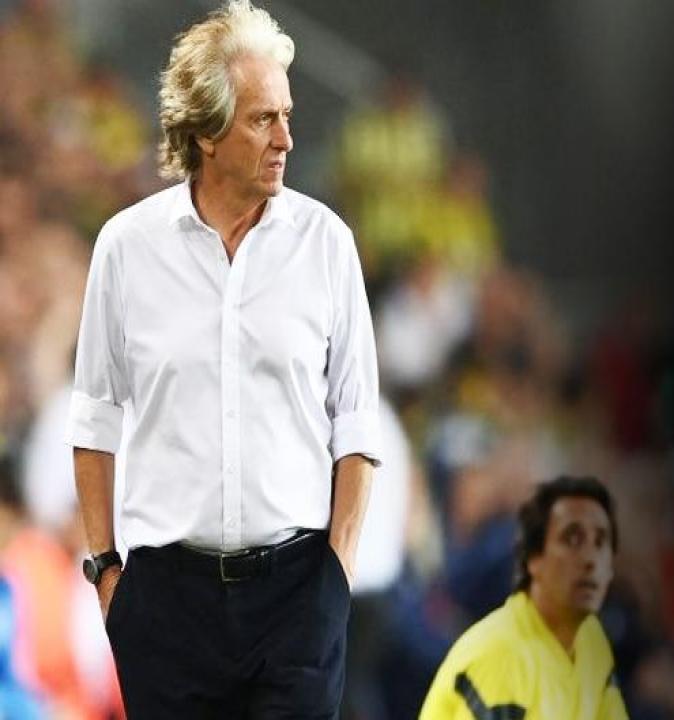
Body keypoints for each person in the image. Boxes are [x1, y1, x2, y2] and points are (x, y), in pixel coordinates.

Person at [64, 1, 380, 716]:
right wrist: (107, 574)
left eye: (286, 115)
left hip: (299, 595)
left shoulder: (328, 245)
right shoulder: (125, 247)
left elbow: (357, 423)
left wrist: (338, 574)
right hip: (165, 607)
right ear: (206, 131)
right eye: (263, 119)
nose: (286, 139)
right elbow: (93, 421)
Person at [419, 476, 628, 719]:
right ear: (534, 559)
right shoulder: (502, 656)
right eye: (572, 541)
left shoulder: (591, 640)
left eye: (601, 542)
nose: (590, 559)